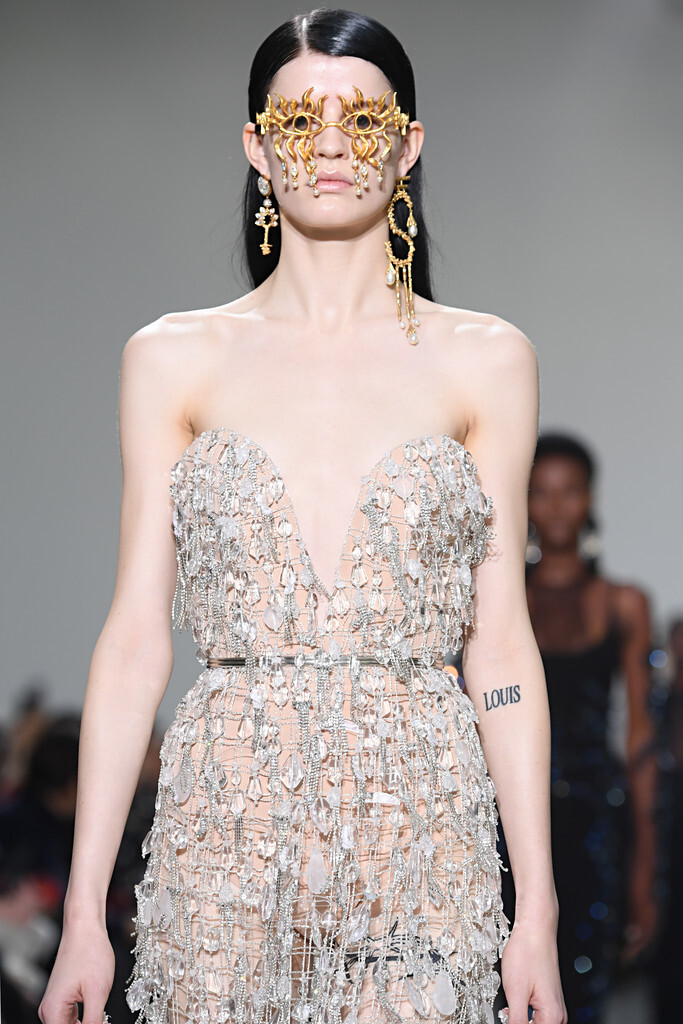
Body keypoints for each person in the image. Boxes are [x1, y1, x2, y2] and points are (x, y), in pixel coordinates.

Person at [38, 10, 565, 1024]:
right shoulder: (171, 359)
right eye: (296, 119)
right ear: (254, 144)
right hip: (223, 852)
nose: (329, 144)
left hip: (422, 845)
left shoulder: (486, 361)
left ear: (407, 144)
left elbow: (499, 644)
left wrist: (533, 906)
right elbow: (136, 640)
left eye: (362, 119)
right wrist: (82, 916)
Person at [520, 433, 657, 1022]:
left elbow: (641, 739)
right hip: (512, 822)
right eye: (541, 491)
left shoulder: (623, 604)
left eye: (569, 490)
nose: (556, 506)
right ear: (523, 499)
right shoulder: (500, 602)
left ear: (590, 498)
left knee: (585, 991)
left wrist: (645, 869)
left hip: (596, 823)